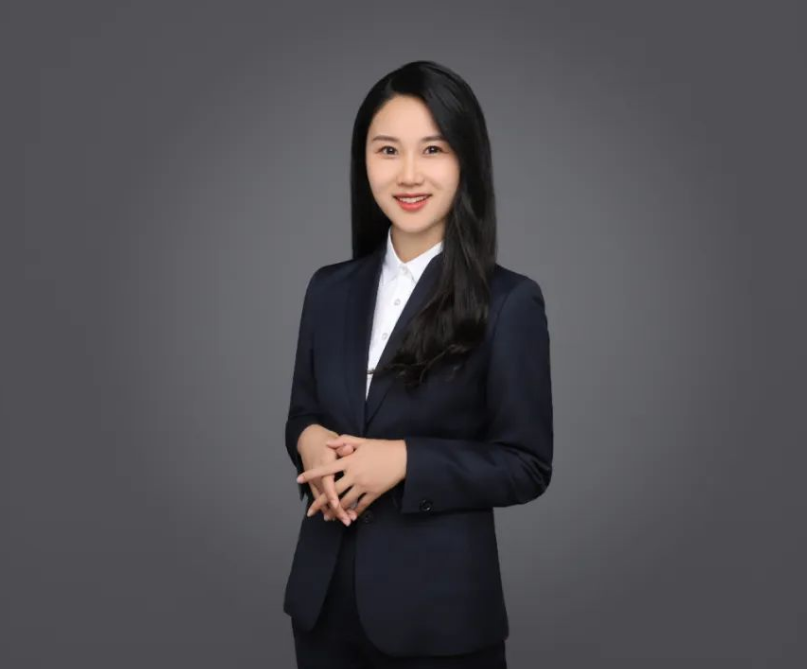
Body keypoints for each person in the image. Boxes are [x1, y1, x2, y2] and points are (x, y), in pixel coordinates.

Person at [283, 60, 554, 669]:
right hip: (324, 606)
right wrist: (308, 440)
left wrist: (405, 461)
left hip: (440, 619)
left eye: (433, 149)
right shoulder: (328, 289)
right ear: (364, 162)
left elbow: (527, 465)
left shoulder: (509, 301)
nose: (408, 174)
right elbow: (303, 411)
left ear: (466, 161)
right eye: (387, 150)